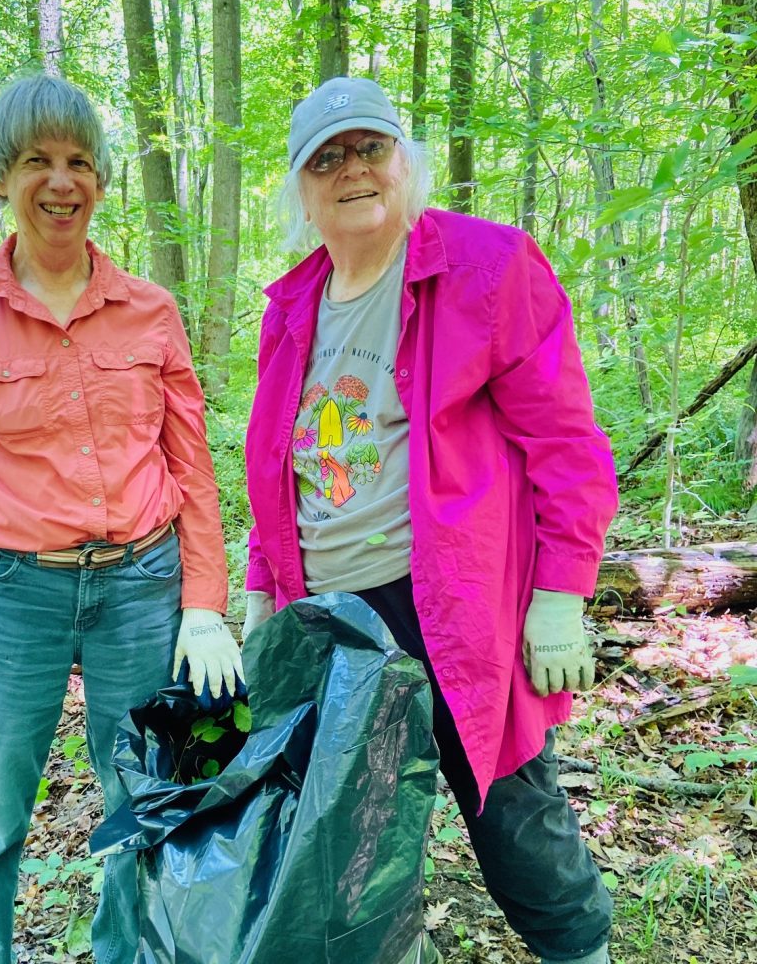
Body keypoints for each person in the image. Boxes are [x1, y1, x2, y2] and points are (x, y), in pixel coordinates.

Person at [242, 76, 618, 964]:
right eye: (326, 159)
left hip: (451, 605)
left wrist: (561, 593)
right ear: (302, 186)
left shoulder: (486, 269)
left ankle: (580, 952)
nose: (352, 171)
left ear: (403, 160)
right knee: (348, 839)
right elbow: (279, 467)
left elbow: (566, 444)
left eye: (369, 148)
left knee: (513, 814)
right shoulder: (293, 306)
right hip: (334, 624)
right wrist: (263, 591)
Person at [0, 72, 243, 964]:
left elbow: (192, 468)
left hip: (141, 585)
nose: (62, 181)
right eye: (37, 162)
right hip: (10, 593)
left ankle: (132, 954)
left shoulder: (150, 310)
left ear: (100, 179)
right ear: (1, 179)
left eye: (80, 161)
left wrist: (204, 602)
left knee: (151, 797)